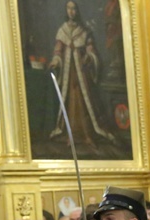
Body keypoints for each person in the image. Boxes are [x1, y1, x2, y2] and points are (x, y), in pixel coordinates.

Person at [48, 1, 115, 146]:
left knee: (84, 102)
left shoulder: (84, 31)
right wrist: (55, 61)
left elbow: (91, 51)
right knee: (71, 103)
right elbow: (58, 51)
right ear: (66, 10)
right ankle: (70, 136)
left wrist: (89, 57)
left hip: (82, 74)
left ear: (77, 11)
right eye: (69, 8)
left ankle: (87, 135)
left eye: (74, 9)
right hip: (68, 73)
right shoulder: (63, 30)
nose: (71, 11)